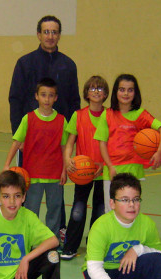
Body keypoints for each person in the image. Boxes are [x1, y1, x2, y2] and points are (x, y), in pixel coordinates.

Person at [9, 15, 80, 239]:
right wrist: (18, 137)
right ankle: (26, 232)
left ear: (59, 34)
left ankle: (57, 232)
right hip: (31, 143)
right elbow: (15, 99)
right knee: (29, 190)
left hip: (57, 142)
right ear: (38, 34)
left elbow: (74, 103)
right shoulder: (25, 63)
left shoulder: (68, 65)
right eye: (46, 31)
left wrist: (71, 140)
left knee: (55, 191)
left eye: (55, 31)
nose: (50, 36)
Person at [4, 77, 68, 240]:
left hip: (54, 174)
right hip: (32, 174)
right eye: (43, 95)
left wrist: (64, 170)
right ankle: (30, 239)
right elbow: (17, 142)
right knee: (31, 211)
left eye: (51, 95)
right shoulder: (29, 118)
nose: (47, 99)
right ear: (36, 96)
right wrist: (6, 164)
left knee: (54, 210)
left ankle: (51, 239)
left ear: (56, 98)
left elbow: (64, 147)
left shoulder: (61, 121)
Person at [94, 74, 161, 212]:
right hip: (112, 170)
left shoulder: (141, 114)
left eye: (130, 90)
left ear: (136, 93)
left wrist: (159, 153)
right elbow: (102, 143)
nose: (126, 93)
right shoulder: (107, 114)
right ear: (116, 92)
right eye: (122, 89)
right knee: (111, 211)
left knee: (130, 210)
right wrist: (110, 166)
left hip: (133, 169)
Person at [60, 76, 109, 261]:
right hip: (83, 173)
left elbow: (112, 144)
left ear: (105, 94)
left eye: (100, 89)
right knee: (78, 210)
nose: (96, 92)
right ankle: (70, 246)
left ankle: (94, 246)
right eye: (92, 88)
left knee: (100, 211)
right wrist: (67, 159)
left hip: (102, 173)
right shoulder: (78, 115)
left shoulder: (109, 115)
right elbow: (70, 142)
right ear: (86, 93)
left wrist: (104, 163)